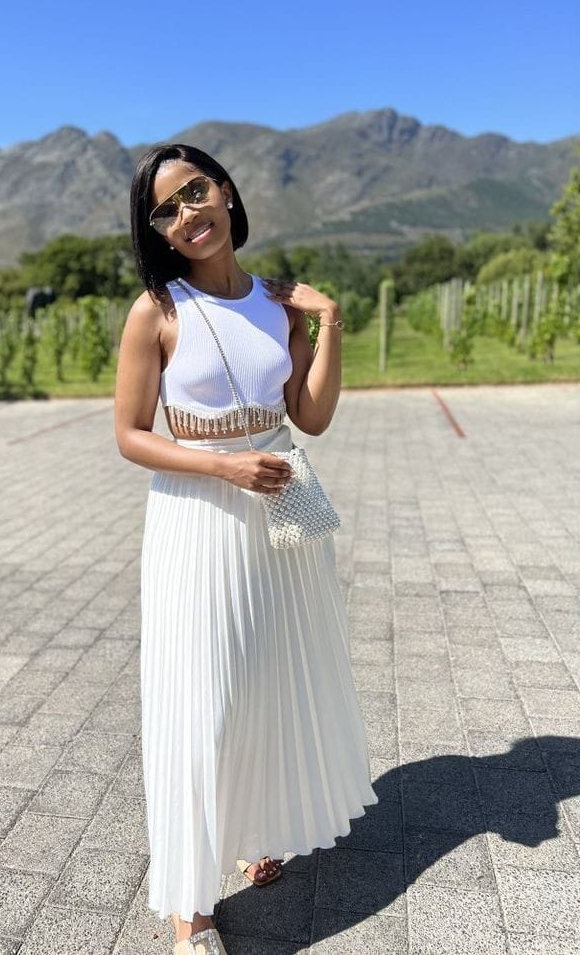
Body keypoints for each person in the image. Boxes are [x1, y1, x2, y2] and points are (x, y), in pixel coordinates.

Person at [114, 143, 378, 955]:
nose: (187, 213)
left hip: (280, 513)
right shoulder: (156, 310)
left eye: (195, 191)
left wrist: (328, 323)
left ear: (226, 192)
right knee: (206, 697)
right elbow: (129, 434)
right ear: (158, 230)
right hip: (199, 515)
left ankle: (257, 827)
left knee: (269, 677)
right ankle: (188, 906)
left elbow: (311, 415)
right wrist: (223, 466)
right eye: (166, 209)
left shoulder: (276, 303)